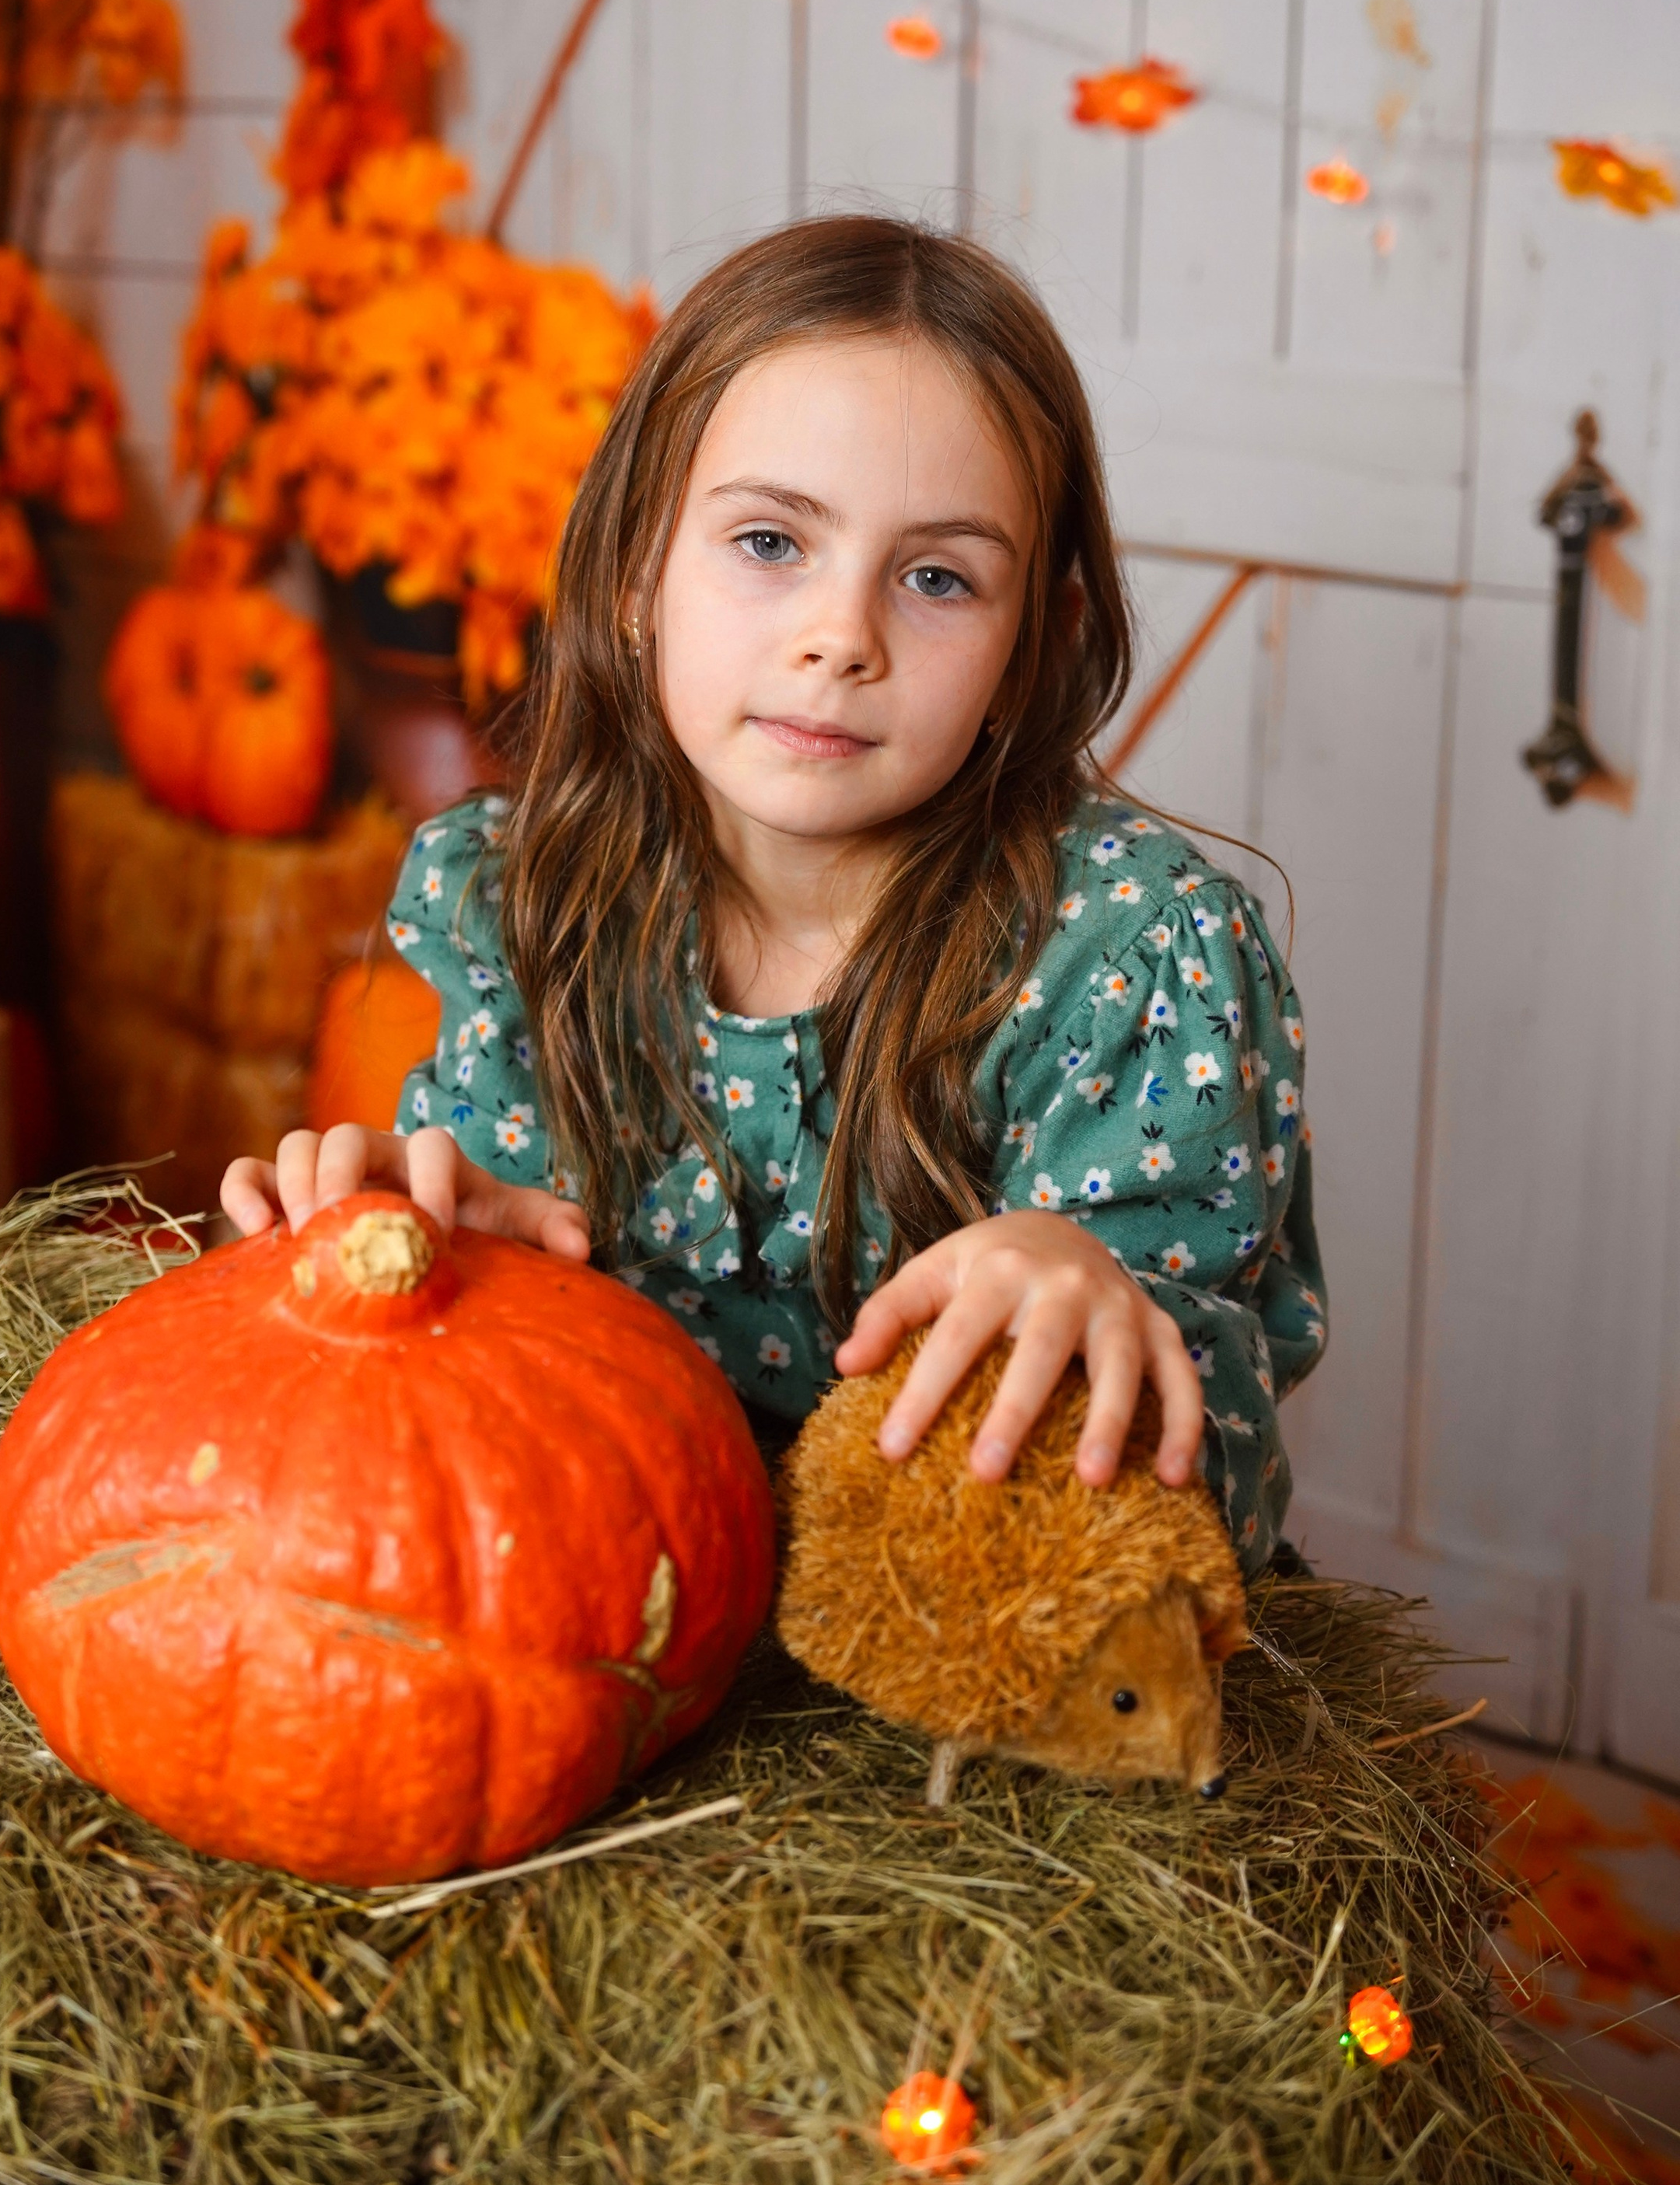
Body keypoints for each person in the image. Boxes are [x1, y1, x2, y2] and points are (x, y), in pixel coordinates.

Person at [222, 217, 1325, 1570]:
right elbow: (500, 1409)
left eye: (936, 578)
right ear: (637, 576)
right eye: (767, 541)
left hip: (954, 1661)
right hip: (640, 1603)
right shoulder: (523, 900)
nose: (840, 637)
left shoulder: (1130, 955)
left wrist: (1090, 1299)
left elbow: (1203, 1491)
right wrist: (452, 1249)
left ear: (1035, 648)